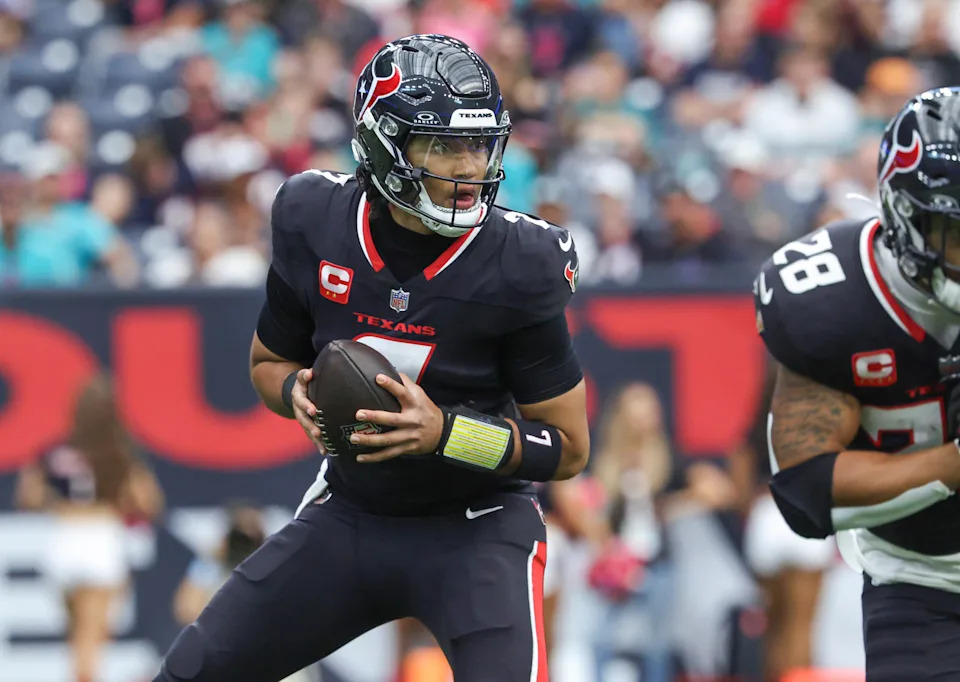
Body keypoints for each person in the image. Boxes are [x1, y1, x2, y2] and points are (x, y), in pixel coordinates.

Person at [155, 34, 589, 682]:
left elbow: (569, 448)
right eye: (443, 144)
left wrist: (446, 434)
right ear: (384, 143)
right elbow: (267, 367)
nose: (469, 167)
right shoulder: (314, 217)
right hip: (352, 515)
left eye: (478, 143)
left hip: (478, 527)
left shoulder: (521, 263)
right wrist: (295, 396)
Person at [754, 86, 960, 681]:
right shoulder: (837, 301)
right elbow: (808, 490)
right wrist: (951, 464)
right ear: (907, 216)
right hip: (925, 583)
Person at [15, 372, 164, 682]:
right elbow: (148, 502)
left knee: (78, 635)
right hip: (100, 542)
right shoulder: (118, 452)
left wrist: (59, 503)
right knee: (91, 640)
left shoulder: (55, 451)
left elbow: (27, 496)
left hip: (62, 541)